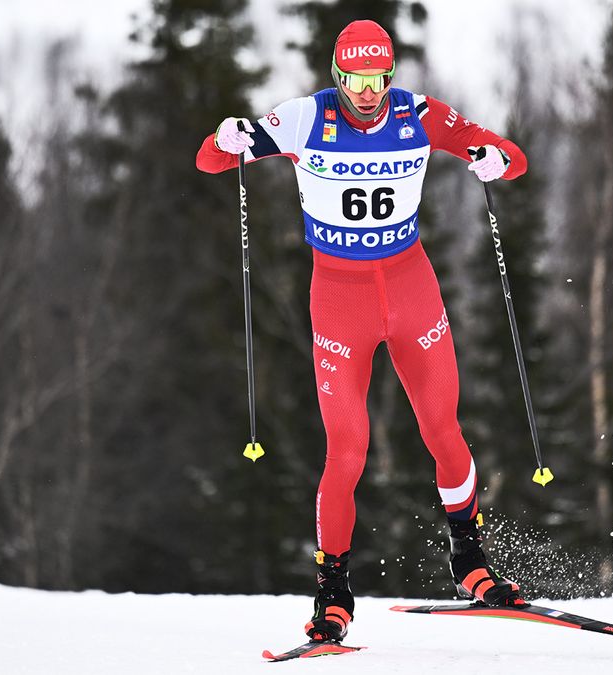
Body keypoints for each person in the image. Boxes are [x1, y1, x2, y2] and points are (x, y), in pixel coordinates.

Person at [196, 19, 528, 643]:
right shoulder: (301, 119)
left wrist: (493, 159)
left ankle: (471, 563)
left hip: (410, 290)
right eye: (355, 79)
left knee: (444, 430)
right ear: (337, 75)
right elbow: (210, 160)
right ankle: (333, 592)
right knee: (347, 448)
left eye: (378, 79)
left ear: (389, 77)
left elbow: (512, 157)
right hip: (339, 302)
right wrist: (229, 137)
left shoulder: (420, 114)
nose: (367, 93)